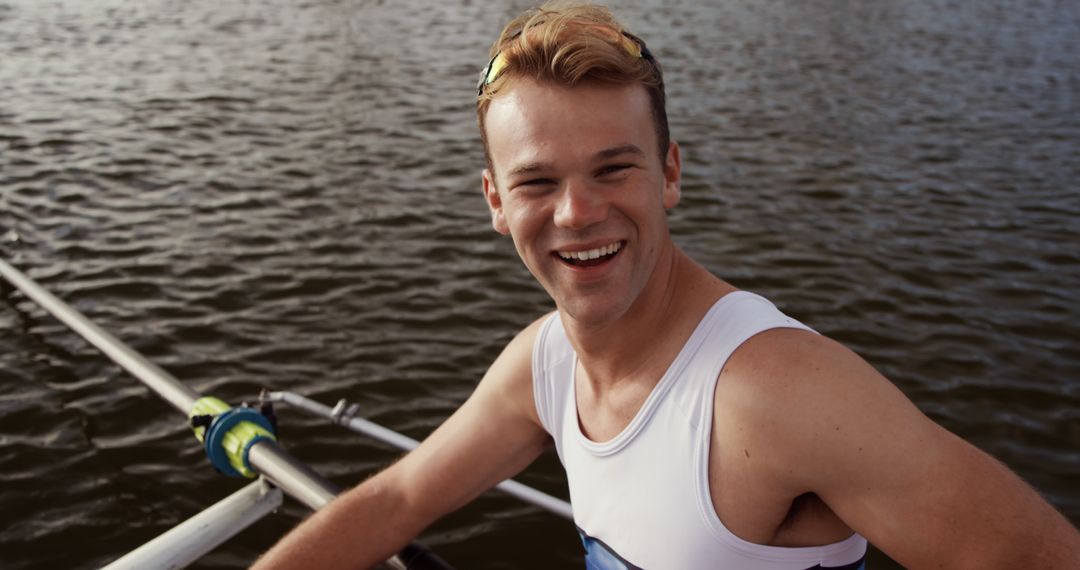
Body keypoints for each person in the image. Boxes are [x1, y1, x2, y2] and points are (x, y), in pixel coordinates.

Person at [253, 3, 1080, 568]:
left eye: (614, 168)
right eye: (537, 183)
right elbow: (395, 500)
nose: (577, 213)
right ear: (497, 203)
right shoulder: (545, 366)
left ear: (670, 174)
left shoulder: (774, 392)